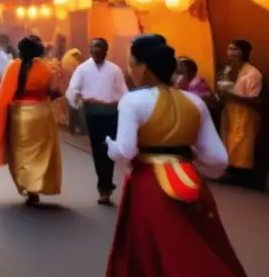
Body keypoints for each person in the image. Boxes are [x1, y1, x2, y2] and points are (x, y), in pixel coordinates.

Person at [105, 35, 247, 277]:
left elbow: (125, 152)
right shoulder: (194, 101)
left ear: (144, 68)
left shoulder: (132, 101)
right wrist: (191, 162)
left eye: (132, 63)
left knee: (151, 250)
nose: (130, 69)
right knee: (196, 247)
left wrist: (111, 146)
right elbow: (217, 159)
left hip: (149, 182)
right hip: (190, 180)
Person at [0, 35, 62, 205]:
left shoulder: (12, 67)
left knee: (19, 153)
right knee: (41, 154)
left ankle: (26, 186)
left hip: (18, 114)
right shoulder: (45, 69)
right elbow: (53, 93)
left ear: (19, 51)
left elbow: (5, 93)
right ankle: (36, 184)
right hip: (41, 114)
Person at [66, 38, 129, 205]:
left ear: (106, 51)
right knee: (98, 149)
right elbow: (73, 90)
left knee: (109, 148)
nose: (96, 53)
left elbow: (124, 92)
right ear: (89, 50)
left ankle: (106, 184)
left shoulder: (114, 70)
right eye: (93, 50)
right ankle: (104, 187)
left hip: (110, 113)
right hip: (92, 113)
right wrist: (78, 99)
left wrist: (121, 107)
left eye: (100, 50)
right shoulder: (82, 69)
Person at [217, 39, 262, 187]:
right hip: (230, 113)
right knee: (229, 142)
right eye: (229, 49)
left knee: (243, 147)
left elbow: (255, 100)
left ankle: (242, 177)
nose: (231, 53)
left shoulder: (253, 74)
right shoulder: (228, 71)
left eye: (235, 49)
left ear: (245, 52)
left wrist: (230, 96)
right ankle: (231, 172)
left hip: (246, 115)